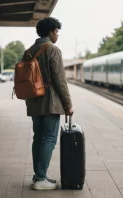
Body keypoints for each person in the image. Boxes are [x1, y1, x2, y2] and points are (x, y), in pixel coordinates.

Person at [23, 17, 73, 190]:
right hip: (50, 101)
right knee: (49, 138)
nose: (57, 35)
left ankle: (38, 175)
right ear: (50, 32)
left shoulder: (29, 51)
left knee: (38, 137)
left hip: (34, 101)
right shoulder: (53, 50)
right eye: (56, 31)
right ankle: (41, 179)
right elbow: (60, 81)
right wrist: (68, 105)